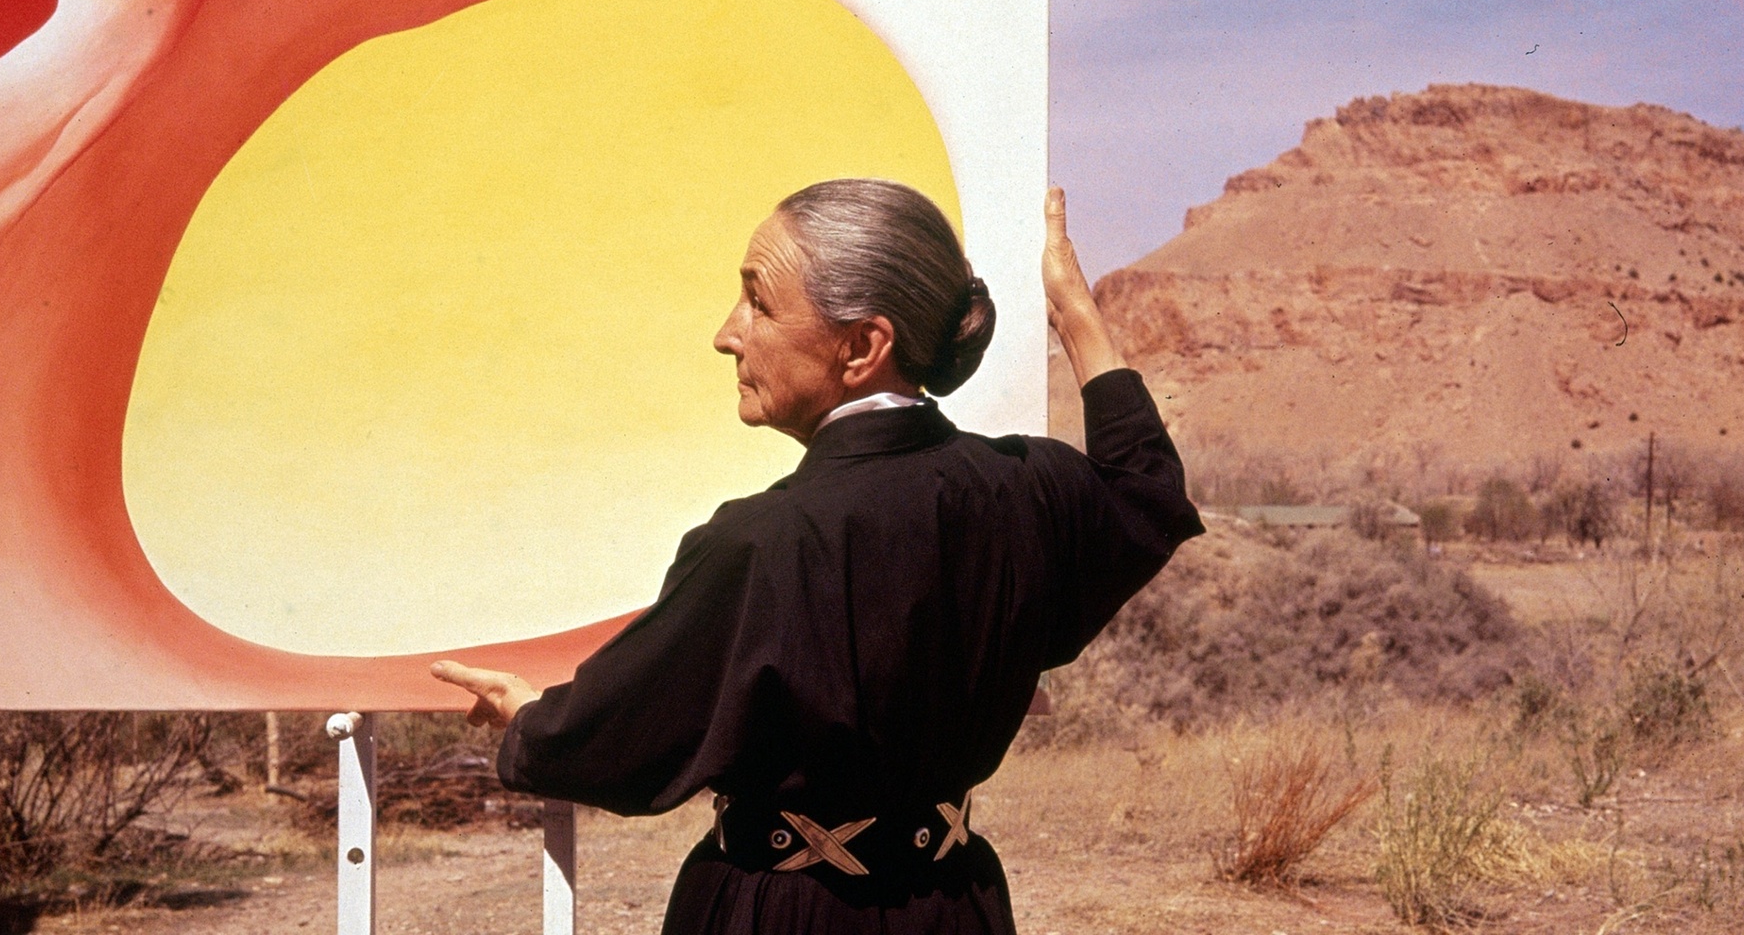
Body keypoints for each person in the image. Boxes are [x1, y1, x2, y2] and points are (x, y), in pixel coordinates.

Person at [434, 180, 1203, 933]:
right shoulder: (1029, 491)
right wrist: (1074, 314)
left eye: (759, 302)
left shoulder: (761, 543)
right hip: (957, 909)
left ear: (863, 346)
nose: (727, 332)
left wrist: (529, 721)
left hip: (780, 914)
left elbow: (610, 743)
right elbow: (1145, 493)